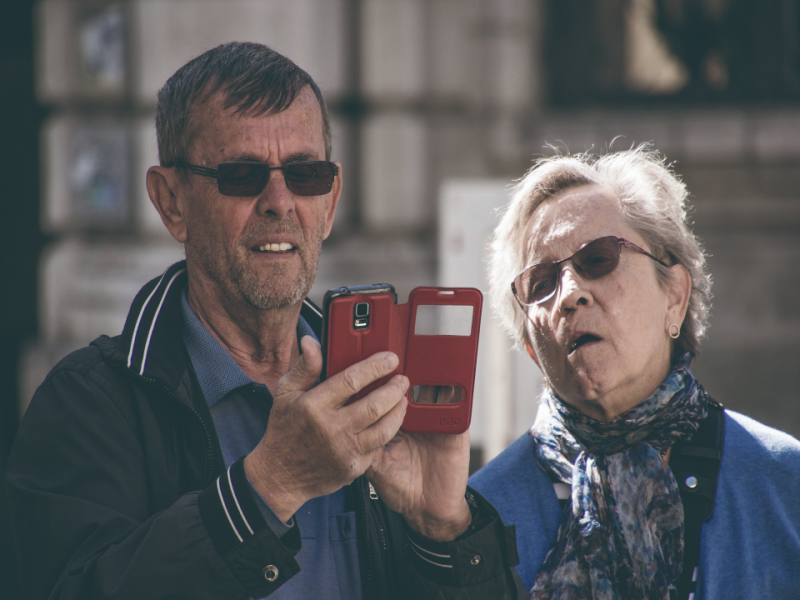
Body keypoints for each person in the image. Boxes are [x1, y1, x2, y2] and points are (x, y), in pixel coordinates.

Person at [6, 42, 525, 600]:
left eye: (305, 173)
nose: (280, 200)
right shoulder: (89, 404)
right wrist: (270, 486)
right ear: (171, 201)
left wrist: (444, 533)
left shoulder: (375, 386)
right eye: (241, 174)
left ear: (329, 202)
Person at [469, 147, 800, 599]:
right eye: (541, 283)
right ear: (531, 348)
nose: (569, 294)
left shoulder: (783, 484)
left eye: (598, 259)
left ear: (675, 298)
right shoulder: (476, 519)